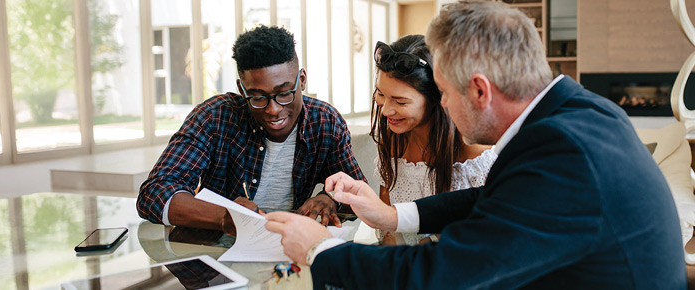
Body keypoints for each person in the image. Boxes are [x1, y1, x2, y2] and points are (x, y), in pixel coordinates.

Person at [265, 1, 686, 289]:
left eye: (445, 93)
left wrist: (320, 251)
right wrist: (393, 215)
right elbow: (498, 199)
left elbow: (447, 275)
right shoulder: (578, 112)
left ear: (480, 91)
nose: (443, 105)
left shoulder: (566, 155)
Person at [138, 25, 365, 236]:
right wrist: (223, 217)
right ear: (241, 89)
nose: (274, 110)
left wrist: (329, 198)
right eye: (257, 97)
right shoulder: (215, 117)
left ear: (302, 81)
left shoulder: (325, 121)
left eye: (284, 93)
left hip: (290, 247)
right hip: (218, 252)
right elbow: (154, 192)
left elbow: (358, 191)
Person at [369, 35, 495, 245]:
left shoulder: (472, 151)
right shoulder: (392, 141)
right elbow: (389, 230)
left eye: (400, 101)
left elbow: (487, 230)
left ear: (438, 99)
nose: (386, 111)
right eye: (381, 94)